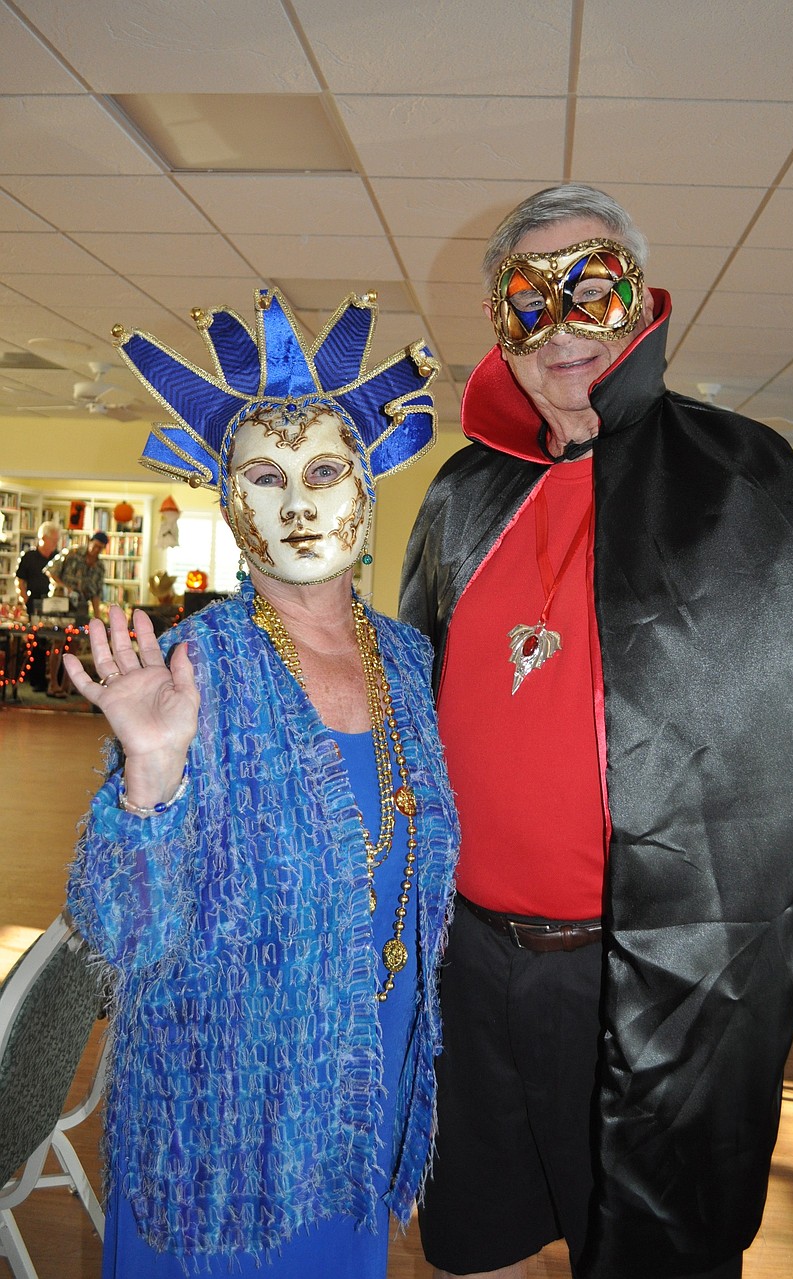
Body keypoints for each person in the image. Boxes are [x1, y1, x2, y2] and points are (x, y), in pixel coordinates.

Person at [400, 184, 793, 1279]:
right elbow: (403, 691)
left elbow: (783, 754)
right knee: (473, 1239)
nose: (562, 329)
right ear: (501, 325)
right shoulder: (465, 495)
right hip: (470, 960)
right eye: (527, 299)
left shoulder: (739, 480)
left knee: (654, 1248)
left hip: (645, 979)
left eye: (588, 287)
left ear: (637, 301)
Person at [64, 287, 458, 1278]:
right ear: (231, 503)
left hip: (360, 1097)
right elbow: (123, 937)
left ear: (368, 488)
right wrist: (149, 776)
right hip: (223, 1129)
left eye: (325, 469)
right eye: (265, 476)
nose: (297, 501)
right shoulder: (194, 668)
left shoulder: (409, 662)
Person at [47, 529, 108, 620]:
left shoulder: (99, 567)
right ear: (90, 542)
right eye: (95, 546)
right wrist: (65, 588)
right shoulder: (72, 553)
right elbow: (51, 571)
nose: (96, 550)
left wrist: (97, 616)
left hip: (81, 606)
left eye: (100, 548)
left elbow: (96, 594)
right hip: (60, 603)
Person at [15, 520, 60, 615]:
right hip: (33, 601)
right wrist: (25, 600)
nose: (56, 544)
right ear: (43, 538)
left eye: (57, 540)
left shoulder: (58, 557)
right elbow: (20, 581)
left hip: (54, 604)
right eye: (53, 540)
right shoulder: (28, 557)